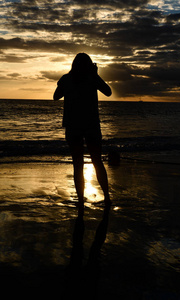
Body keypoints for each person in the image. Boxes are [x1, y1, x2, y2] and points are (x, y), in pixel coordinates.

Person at [53, 53, 112, 215]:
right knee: (96, 161)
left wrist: (67, 84)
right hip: (90, 125)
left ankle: (81, 201)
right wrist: (95, 75)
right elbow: (108, 92)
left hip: (74, 126)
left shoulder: (67, 78)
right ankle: (106, 197)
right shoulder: (91, 78)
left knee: (78, 164)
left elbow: (55, 96)